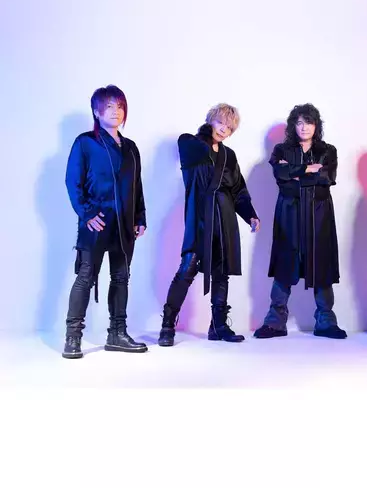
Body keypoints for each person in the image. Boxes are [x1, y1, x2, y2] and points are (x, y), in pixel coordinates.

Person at [158, 104, 260, 346]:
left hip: (225, 219)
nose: (224, 129)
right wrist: (206, 135)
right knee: (187, 269)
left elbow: (238, 189)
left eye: (229, 127)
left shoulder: (229, 156)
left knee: (221, 273)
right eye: (220, 123)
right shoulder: (190, 144)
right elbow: (194, 151)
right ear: (210, 121)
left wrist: (250, 215)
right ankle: (167, 325)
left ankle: (218, 326)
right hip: (200, 217)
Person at [63, 85, 148, 359]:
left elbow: (137, 186)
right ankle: (73, 336)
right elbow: (73, 182)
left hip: (124, 224)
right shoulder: (85, 142)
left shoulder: (131, 147)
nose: (116, 111)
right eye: (109, 106)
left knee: (121, 277)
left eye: (120, 106)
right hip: (96, 222)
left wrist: (140, 217)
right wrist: (87, 214)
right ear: (97, 111)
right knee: (86, 276)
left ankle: (117, 334)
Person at [254, 103, 347, 339]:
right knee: (285, 264)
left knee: (321, 264)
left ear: (316, 125)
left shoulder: (328, 151)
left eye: (309, 122)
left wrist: (296, 173)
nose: (304, 127)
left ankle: (326, 321)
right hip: (290, 215)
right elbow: (281, 178)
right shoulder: (281, 150)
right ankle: (275, 322)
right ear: (293, 126)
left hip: (319, 214)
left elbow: (326, 179)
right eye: (299, 123)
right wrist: (308, 169)